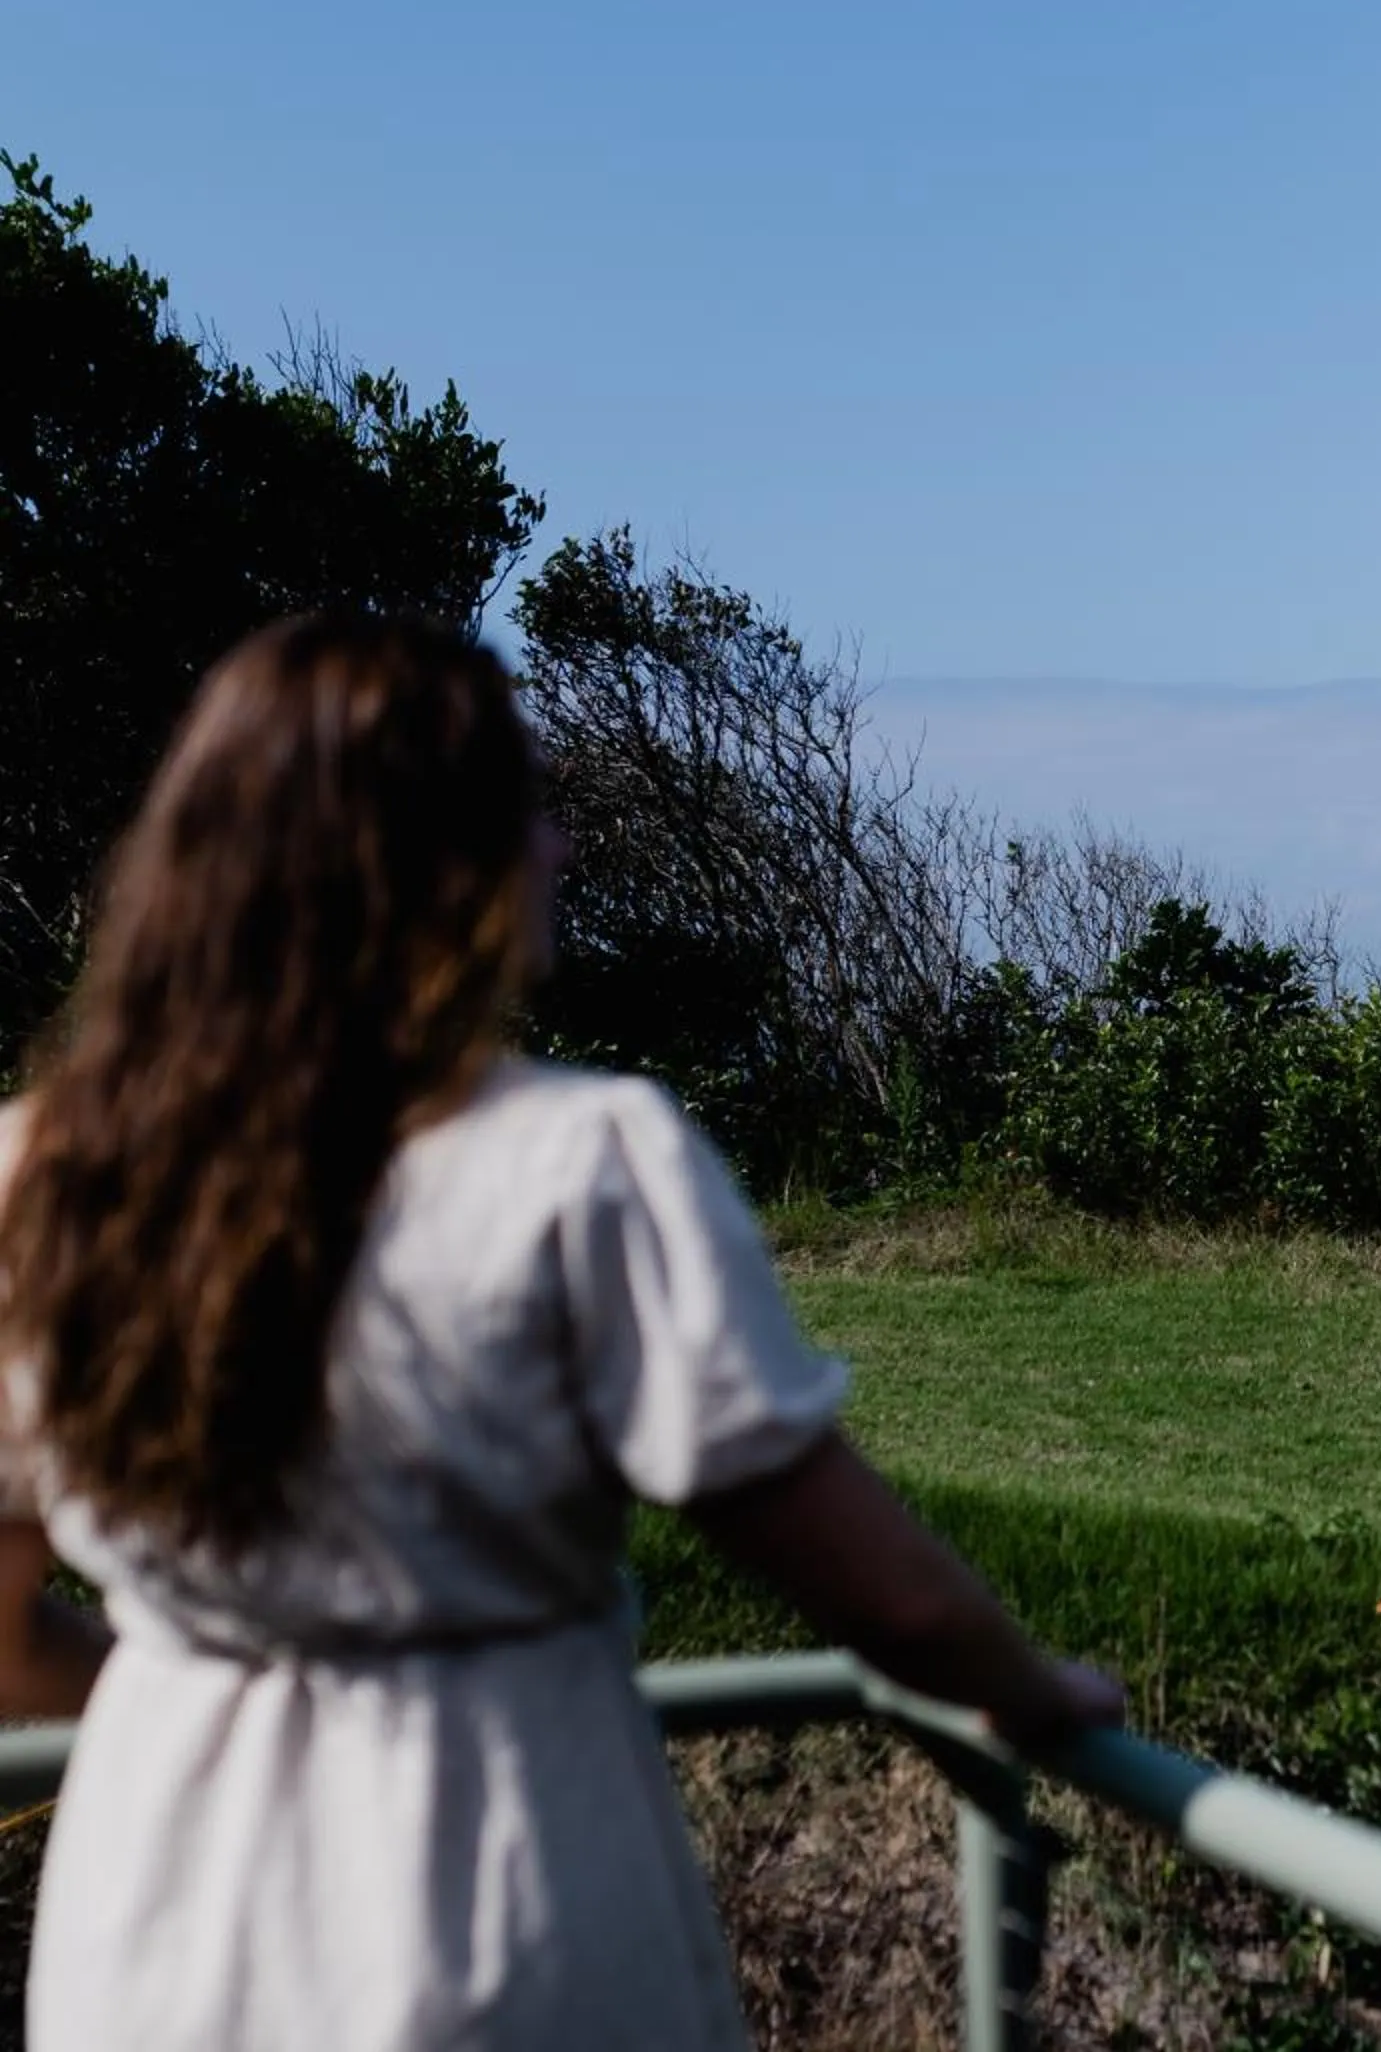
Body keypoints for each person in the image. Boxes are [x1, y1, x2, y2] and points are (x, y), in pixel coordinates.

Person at [0, 614, 1120, 2050]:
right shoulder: (579, 1159)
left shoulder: (40, 1176)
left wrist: (205, 1686)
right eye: (526, 809)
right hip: (494, 1894)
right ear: (428, 864)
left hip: (151, 1931)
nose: (561, 849)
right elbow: (882, 1597)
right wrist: (1031, 1692)